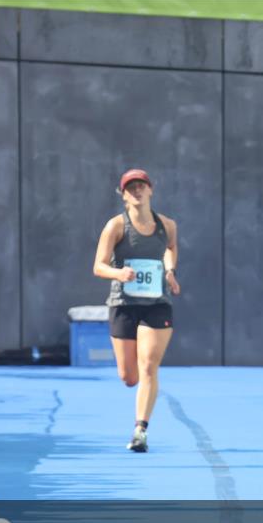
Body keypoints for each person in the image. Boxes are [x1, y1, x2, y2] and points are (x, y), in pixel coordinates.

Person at [93, 169, 181, 452]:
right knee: (129, 376)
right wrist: (118, 274)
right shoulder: (116, 226)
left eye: (141, 186)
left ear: (150, 190)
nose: (137, 191)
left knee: (149, 366)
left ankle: (140, 430)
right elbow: (98, 266)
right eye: (131, 188)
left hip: (157, 303)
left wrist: (170, 271)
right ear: (124, 195)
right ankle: (141, 395)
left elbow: (170, 248)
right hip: (124, 304)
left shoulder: (167, 225)